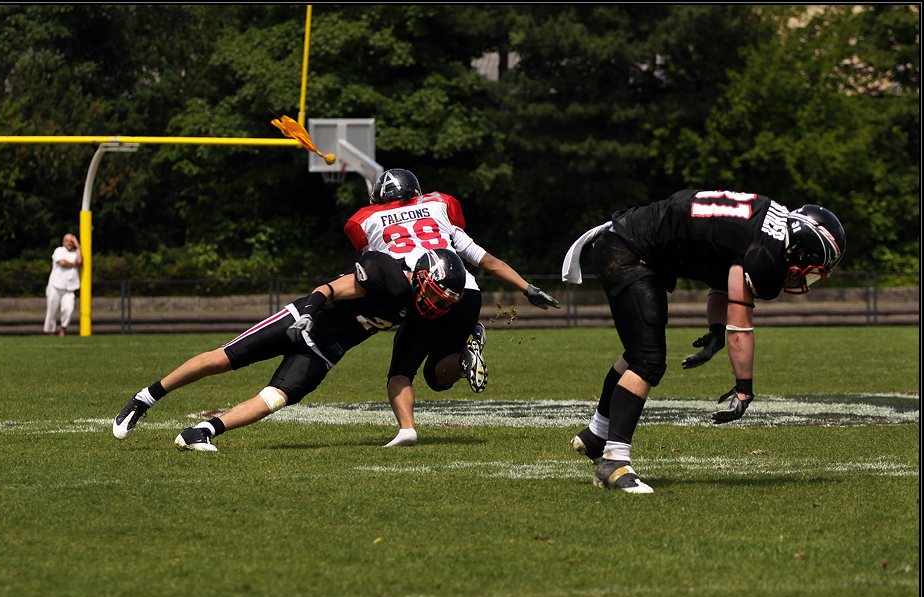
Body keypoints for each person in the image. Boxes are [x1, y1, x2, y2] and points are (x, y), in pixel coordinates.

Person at [561, 189, 846, 494]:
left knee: (638, 354)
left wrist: (714, 329)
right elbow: (741, 327)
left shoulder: (769, 221)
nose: (805, 277)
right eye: (811, 269)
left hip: (623, 242)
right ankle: (613, 462)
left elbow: (724, 278)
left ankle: (596, 434)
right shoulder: (767, 253)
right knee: (647, 360)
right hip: (628, 251)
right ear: (802, 249)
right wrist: (744, 388)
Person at [112, 248, 467, 452]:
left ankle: (201, 432)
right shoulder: (385, 274)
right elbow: (327, 289)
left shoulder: (420, 309)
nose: (436, 304)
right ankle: (145, 398)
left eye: (444, 300)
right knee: (226, 358)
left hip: (326, 350)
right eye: (436, 294)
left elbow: (434, 338)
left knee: (276, 398)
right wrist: (308, 313)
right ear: (421, 277)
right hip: (301, 321)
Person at [344, 169, 562, 447]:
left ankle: (407, 430)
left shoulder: (368, 220)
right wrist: (527, 288)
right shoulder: (437, 208)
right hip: (466, 293)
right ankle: (464, 358)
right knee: (436, 376)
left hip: (424, 294)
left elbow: (373, 273)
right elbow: (486, 261)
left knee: (401, 371)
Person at [44, 233, 83, 336]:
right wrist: (73, 264)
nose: (69, 243)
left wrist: (78, 246)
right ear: (63, 242)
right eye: (67, 240)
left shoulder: (76, 252)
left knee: (68, 309)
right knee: (52, 311)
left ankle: (63, 332)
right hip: (55, 285)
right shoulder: (59, 250)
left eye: (71, 241)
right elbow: (62, 262)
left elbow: (79, 261)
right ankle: (50, 333)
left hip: (69, 287)